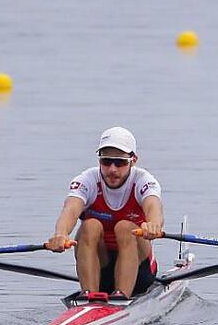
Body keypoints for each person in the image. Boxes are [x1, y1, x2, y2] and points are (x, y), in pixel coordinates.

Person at [46, 126, 164, 300]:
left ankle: (121, 296)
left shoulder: (144, 181)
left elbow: (154, 207)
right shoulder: (87, 181)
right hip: (100, 268)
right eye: (106, 161)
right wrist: (60, 235)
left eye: (121, 162)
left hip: (139, 272)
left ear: (134, 160)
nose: (113, 169)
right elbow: (70, 210)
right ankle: (89, 296)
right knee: (90, 225)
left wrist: (153, 225)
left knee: (125, 227)